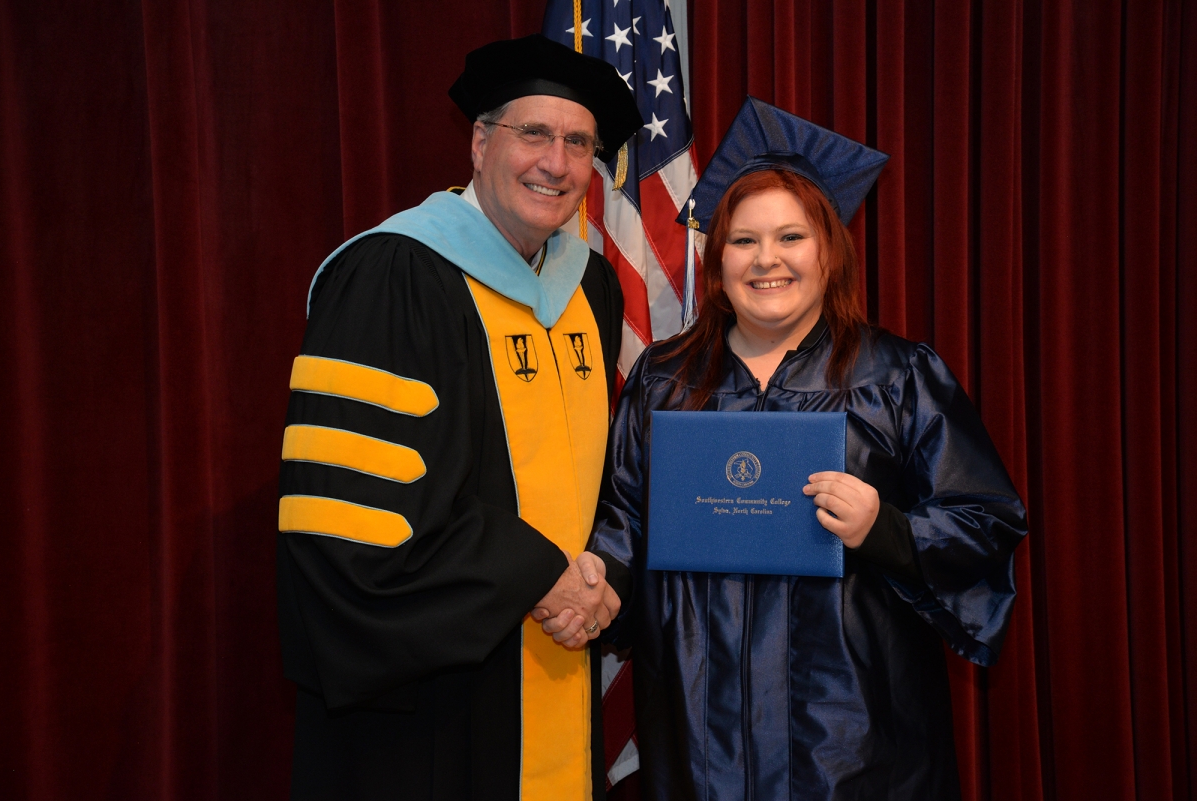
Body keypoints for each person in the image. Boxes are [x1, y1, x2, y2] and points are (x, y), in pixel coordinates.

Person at [579, 98, 1028, 799]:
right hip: (701, 731)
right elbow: (624, 521)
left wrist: (888, 528)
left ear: (828, 250)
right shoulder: (664, 380)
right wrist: (600, 577)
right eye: (744, 240)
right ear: (718, 257)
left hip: (856, 740)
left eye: (791, 237)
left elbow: (985, 520)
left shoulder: (897, 377)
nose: (767, 261)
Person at [274, 34, 640, 801]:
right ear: (480, 142)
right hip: (436, 700)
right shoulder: (392, 274)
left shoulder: (591, 286)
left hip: (558, 655)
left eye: (580, 143)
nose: (558, 162)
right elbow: (360, 520)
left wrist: (602, 573)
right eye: (533, 133)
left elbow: (597, 466)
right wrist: (541, 574)